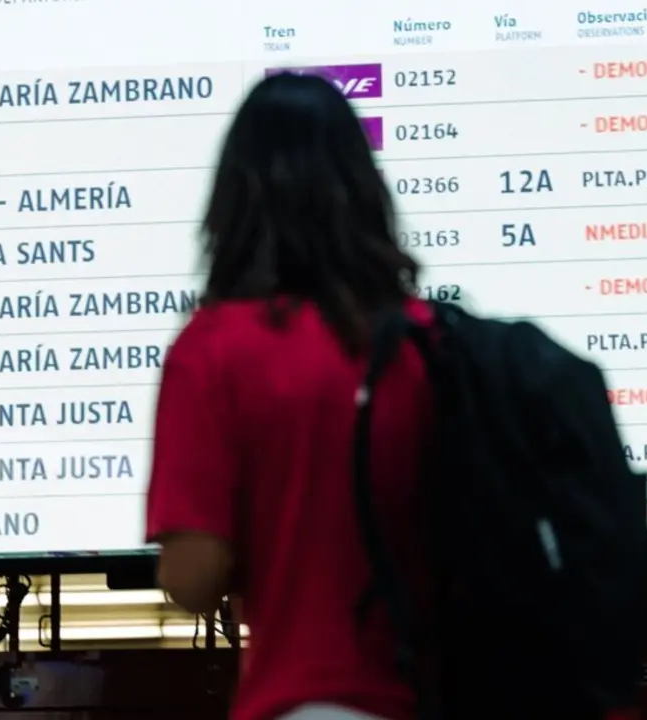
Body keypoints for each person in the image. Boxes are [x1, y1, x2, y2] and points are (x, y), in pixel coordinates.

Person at [144, 72, 429, 720]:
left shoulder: (214, 350)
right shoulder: (425, 342)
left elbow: (193, 577)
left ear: (235, 197)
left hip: (302, 699)